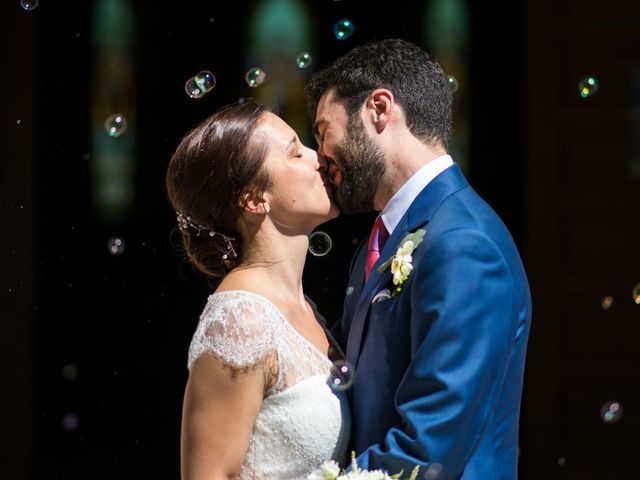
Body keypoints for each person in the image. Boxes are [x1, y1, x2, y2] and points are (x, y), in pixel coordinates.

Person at [305, 38, 532, 479]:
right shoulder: (384, 240)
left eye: (322, 131)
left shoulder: (465, 244)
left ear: (379, 109)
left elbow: (429, 446)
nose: (320, 157)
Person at [166, 100, 350, 480]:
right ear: (253, 198)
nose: (319, 157)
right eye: (296, 152)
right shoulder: (240, 321)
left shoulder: (305, 309)